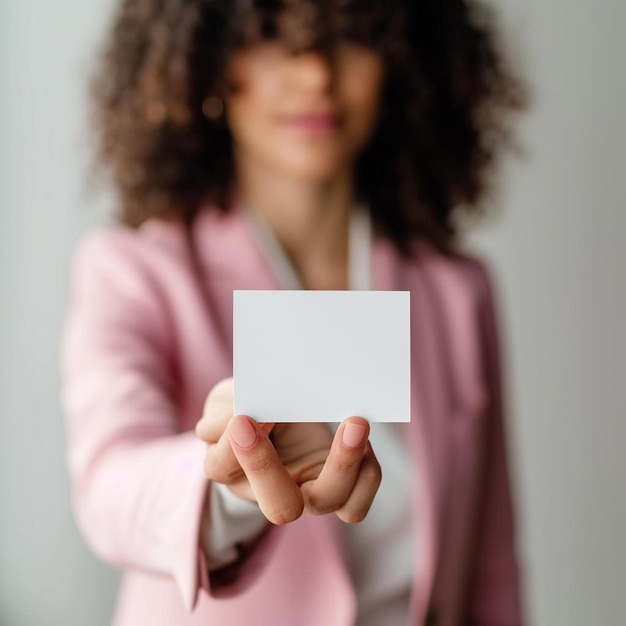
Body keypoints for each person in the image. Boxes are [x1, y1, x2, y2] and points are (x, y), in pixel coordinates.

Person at [60, 1, 527, 624]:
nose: (314, 73)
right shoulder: (134, 271)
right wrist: (226, 483)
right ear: (205, 58)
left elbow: (492, 574)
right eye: (273, 33)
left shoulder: (457, 292)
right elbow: (109, 487)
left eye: (353, 33)